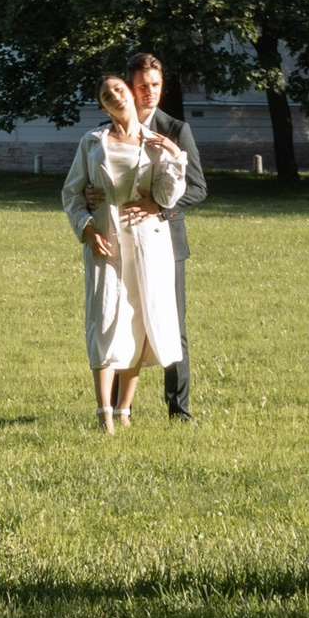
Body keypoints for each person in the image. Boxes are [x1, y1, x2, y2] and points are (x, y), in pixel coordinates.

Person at [60, 73, 186, 430]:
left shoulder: (156, 143)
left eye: (118, 89)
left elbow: (167, 196)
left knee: (138, 322)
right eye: (105, 95)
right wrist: (86, 228)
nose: (114, 96)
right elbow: (71, 192)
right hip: (106, 238)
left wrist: (176, 158)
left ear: (130, 93)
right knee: (104, 320)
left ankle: (125, 411)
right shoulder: (92, 141)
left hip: (147, 243)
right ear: (102, 105)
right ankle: (104, 415)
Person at [129, 50, 207, 419]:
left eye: (156, 85)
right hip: (126, 242)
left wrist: (160, 208)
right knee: (123, 321)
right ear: (130, 87)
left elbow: (198, 188)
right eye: (143, 86)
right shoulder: (112, 129)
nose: (150, 92)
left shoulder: (176, 129)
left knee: (173, 326)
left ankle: (179, 411)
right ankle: (116, 408)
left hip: (167, 242)